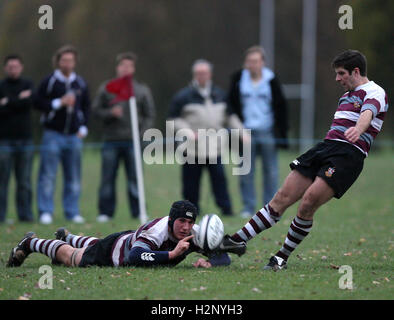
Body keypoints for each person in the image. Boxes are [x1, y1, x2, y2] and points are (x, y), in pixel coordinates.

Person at [220, 49, 388, 270]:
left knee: (307, 203)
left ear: (355, 71)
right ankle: (237, 240)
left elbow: (368, 112)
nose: (337, 79)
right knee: (281, 197)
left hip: (348, 156)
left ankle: (281, 257)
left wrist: (358, 129)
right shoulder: (346, 95)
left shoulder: (374, 91)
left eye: (341, 73)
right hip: (325, 148)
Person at [7, 200, 244, 268]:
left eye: (190, 222)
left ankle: (68, 235)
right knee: (73, 257)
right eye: (181, 221)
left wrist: (211, 263)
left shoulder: (192, 234)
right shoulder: (157, 231)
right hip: (115, 253)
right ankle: (30, 242)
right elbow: (135, 258)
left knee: (92, 243)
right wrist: (171, 255)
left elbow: (223, 255)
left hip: (123, 239)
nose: (186, 227)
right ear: (171, 220)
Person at [168, 59, 245, 216]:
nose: (201, 76)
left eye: (204, 73)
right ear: (194, 75)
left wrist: (242, 131)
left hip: (214, 148)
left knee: (220, 181)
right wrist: (187, 131)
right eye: (198, 73)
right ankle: (190, 211)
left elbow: (230, 116)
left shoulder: (220, 95)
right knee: (190, 184)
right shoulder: (183, 96)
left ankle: (227, 209)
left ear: (210, 74)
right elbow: (173, 119)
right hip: (191, 149)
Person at [93, 52, 155, 222]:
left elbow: (150, 115)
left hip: (133, 143)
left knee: (135, 179)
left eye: (129, 66)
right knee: (108, 179)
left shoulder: (141, 90)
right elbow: (95, 110)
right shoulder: (107, 88)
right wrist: (109, 113)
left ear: (133, 69)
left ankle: (139, 211)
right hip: (111, 141)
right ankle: (105, 212)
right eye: (123, 66)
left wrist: (141, 133)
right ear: (117, 67)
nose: (125, 69)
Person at [227, 45, 289, 218]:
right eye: (249, 61)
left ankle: (270, 208)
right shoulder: (239, 79)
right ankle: (248, 206)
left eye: (255, 61)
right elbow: (230, 105)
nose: (252, 65)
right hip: (245, 133)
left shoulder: (271, 80)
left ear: (262, 63)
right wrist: (238, 130)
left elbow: (281, 107)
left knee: (271, 171)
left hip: (267, 132)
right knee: (246, 171)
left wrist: (281, 133)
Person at [34, 45, 90, 225]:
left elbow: (86, 107)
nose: (67, 63)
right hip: (53, 134)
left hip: (74, 136)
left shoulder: (80, 83)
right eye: (64, 60)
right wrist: (58, 103)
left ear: (74, 62)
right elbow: (37, 102)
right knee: (48, 175)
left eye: (70, 60)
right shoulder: (49, 81)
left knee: (73, 176)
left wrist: (84, 127)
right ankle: (45, 211)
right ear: (58, 61)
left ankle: (72, 212)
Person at [0, 54, 34, 223]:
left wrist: (7, 102)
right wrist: (19, 99)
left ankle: (25, 215)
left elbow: (29, 104)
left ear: (21, 67)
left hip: (25, 140)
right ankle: (1, 216)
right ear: (6, 68)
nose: (13, 69)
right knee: (2, 181)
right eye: (10, 66)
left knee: (24, 181)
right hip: (4, 141)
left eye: (16, 66)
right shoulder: (1, 85)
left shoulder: (28, 84)